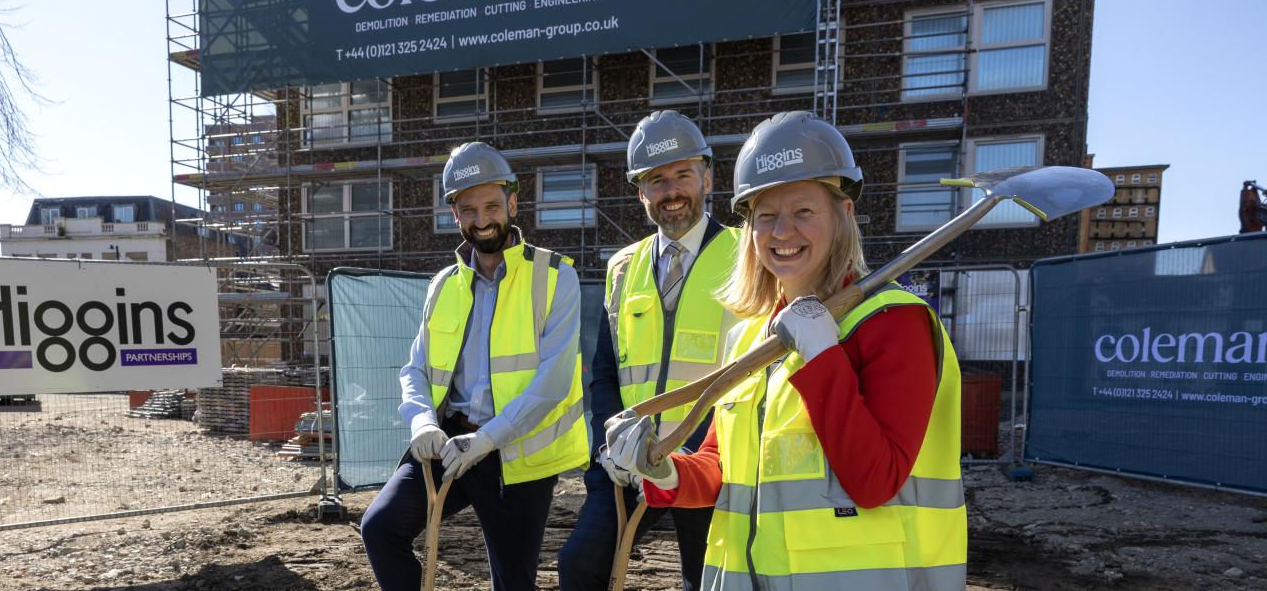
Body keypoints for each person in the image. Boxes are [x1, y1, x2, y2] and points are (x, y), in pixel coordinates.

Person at [605, 111, 967, 589]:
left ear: (843, 213)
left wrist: (822, 357)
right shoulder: (752, 337)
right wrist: (664, 469)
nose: (781, 232)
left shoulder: (893, 323)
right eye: (766, 216)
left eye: (803, 211)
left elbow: (876, 481)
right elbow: (720, 469)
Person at [360, 141, 589, 590]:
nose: (482, 220)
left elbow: (554, 383)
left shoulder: (556, 276)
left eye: (491, 205)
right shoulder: (443, 285)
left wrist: (487, 440)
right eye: (469, 209)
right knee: (380, 527)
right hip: (448, 444)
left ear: (513, 203)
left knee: (513, 582)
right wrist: (422, 422)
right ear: (454, 215)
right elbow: (415, 370)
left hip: (516, 455)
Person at [559, 110, 737, 591]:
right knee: (579, 567)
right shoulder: (623, 267)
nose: (672, 191)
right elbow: (604, 373)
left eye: (683, 174)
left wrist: (702, 456)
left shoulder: (748, 257)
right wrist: (611, 447)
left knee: (705, 583)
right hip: (631, 462)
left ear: (707, 177)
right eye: (657, 180)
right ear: (641, 191)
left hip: (713, 465)